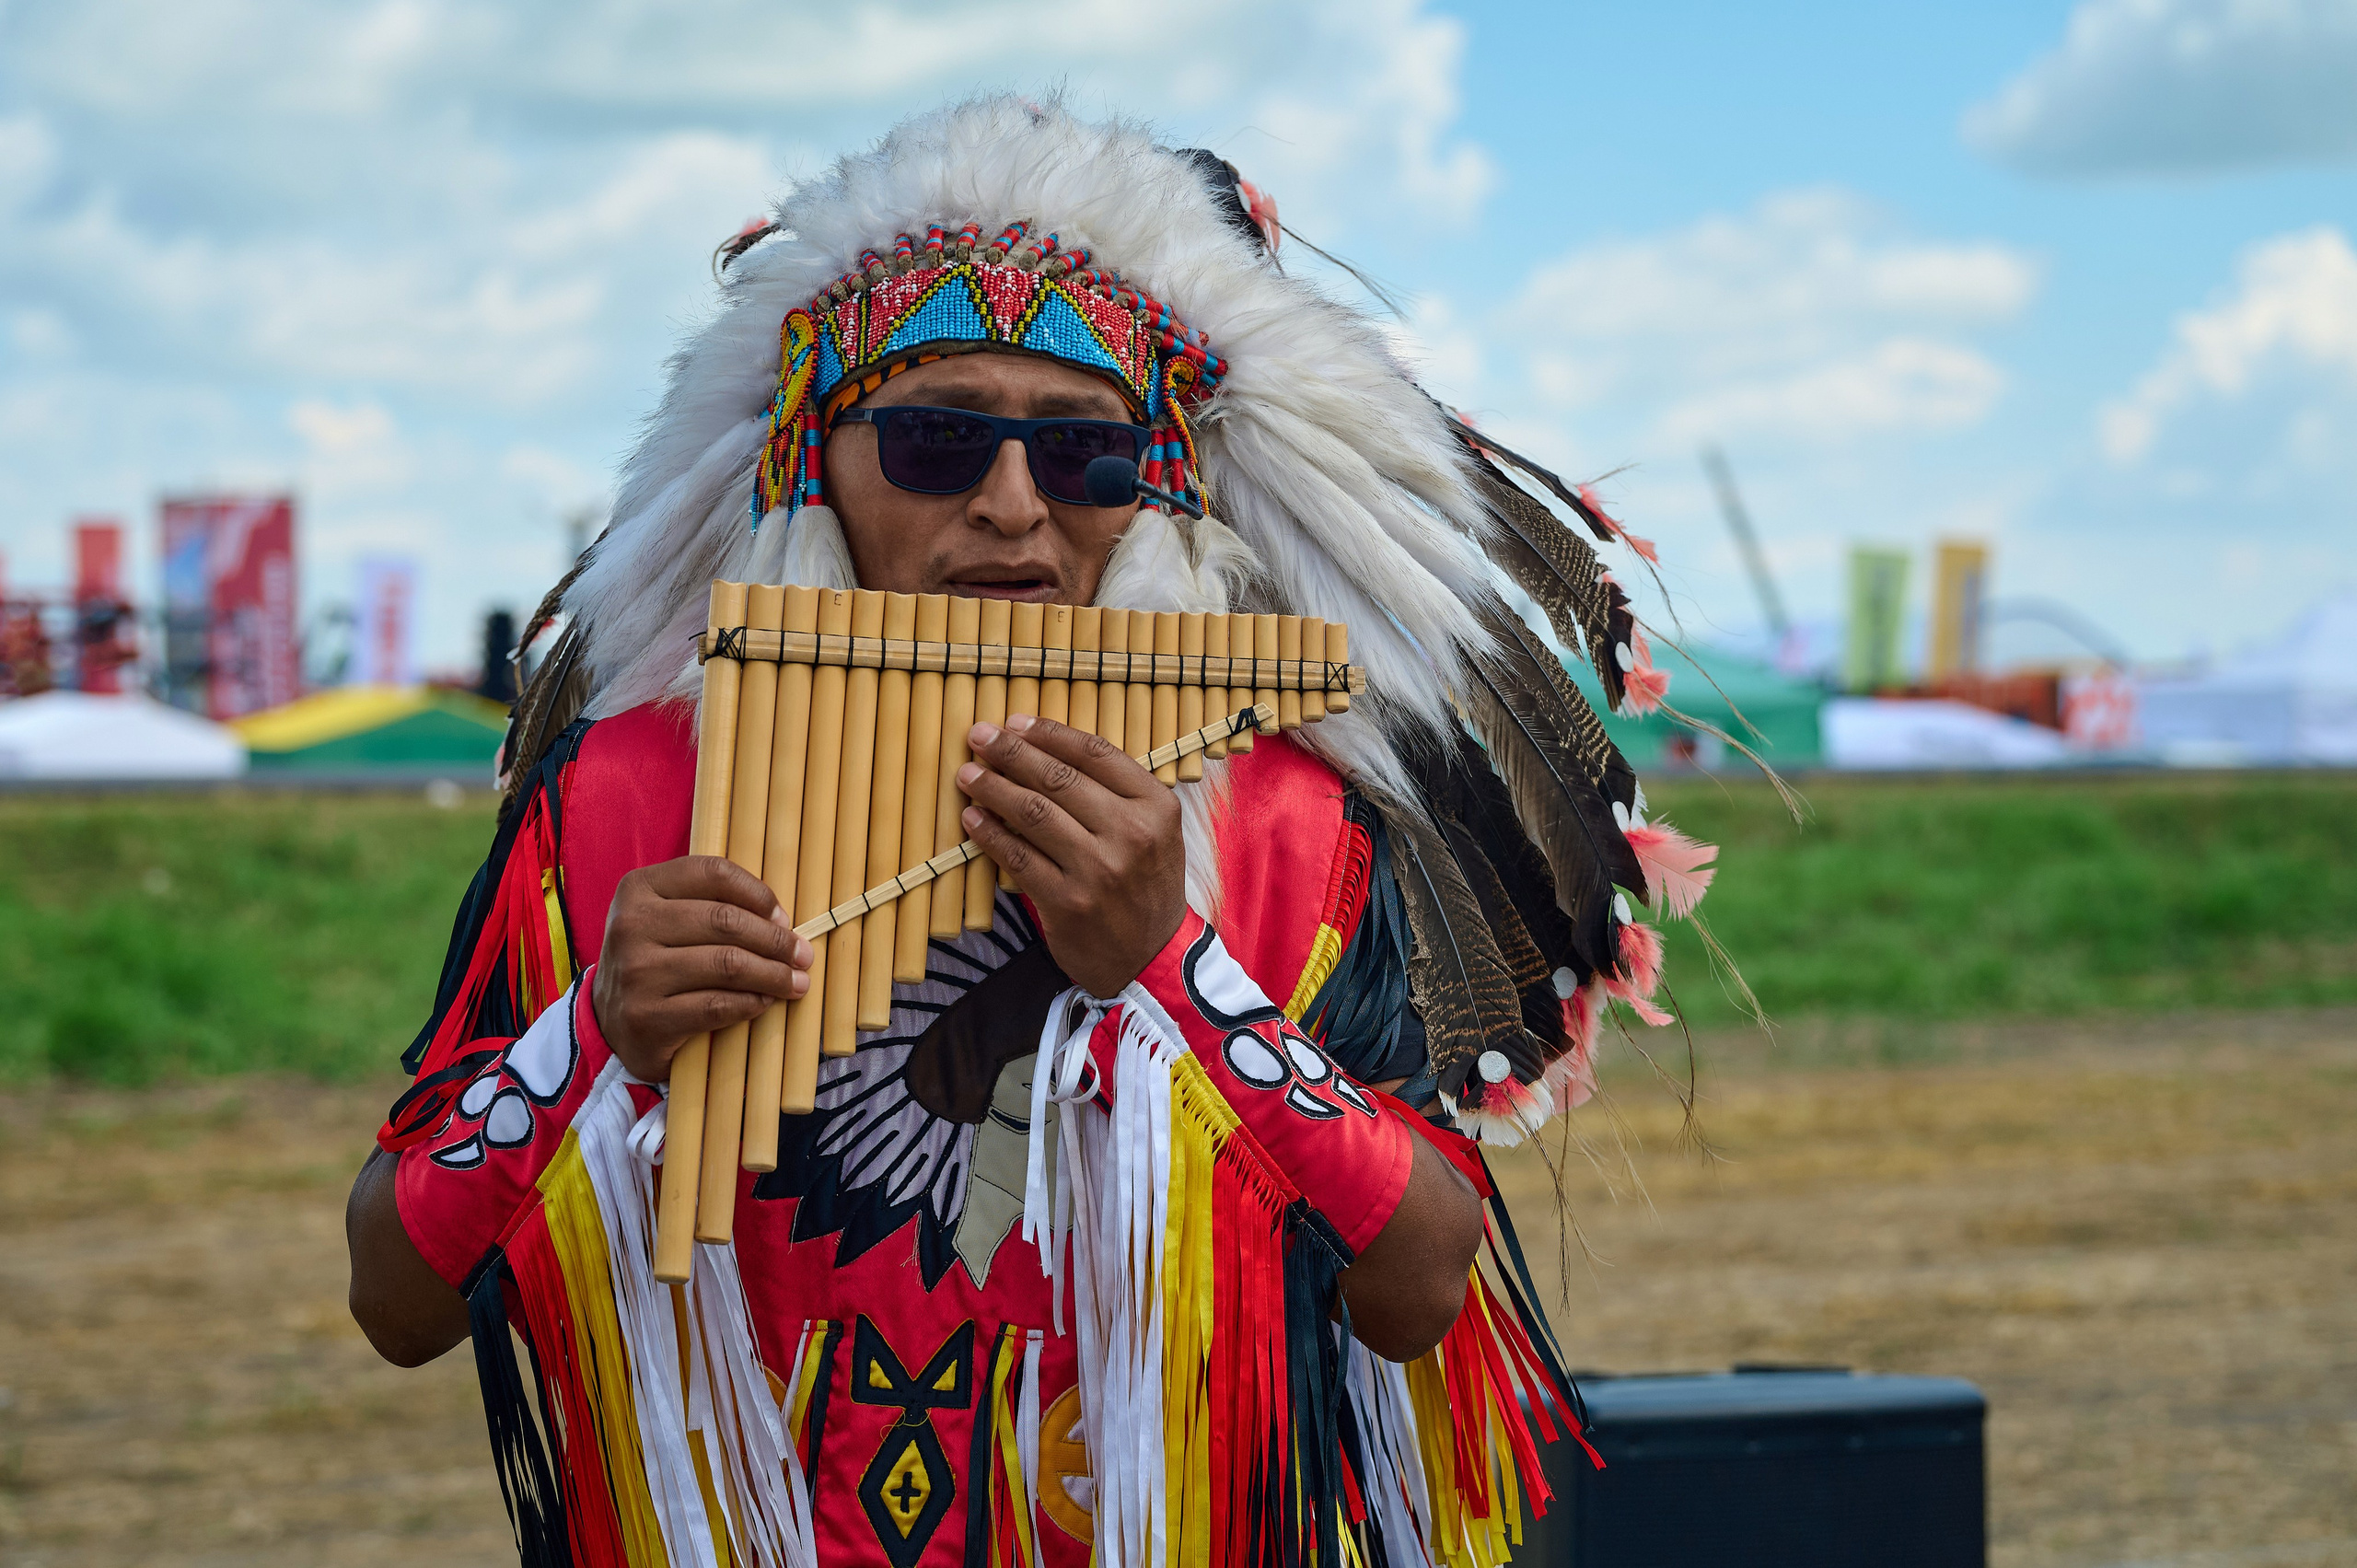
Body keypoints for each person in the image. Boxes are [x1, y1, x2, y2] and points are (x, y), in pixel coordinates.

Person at [347, 96, 1715, 1568]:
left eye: (1083, 458)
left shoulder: (1287, 828)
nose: (1013, 509)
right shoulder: (617, 800)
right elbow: (397, 1296)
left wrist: (1172, 975)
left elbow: (1420, 1287)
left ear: (1153, 493)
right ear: (812, 458)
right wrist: (594, 1036)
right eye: (938, 440)